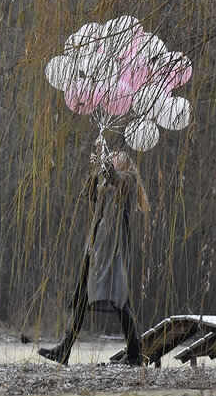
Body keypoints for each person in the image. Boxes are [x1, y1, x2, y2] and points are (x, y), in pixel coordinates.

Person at [39, 146, 149, 366]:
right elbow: (87, 193)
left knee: (120, 302)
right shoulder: (109, 184)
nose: (111, 158)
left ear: (124, 164)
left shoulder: (128, 181)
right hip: (97, 250)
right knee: (82, 298)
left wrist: (103, 162)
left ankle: (135, 354)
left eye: (114, 157)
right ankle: (65, 349)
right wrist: (95, 170)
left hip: (114, 251)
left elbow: (115, 178)